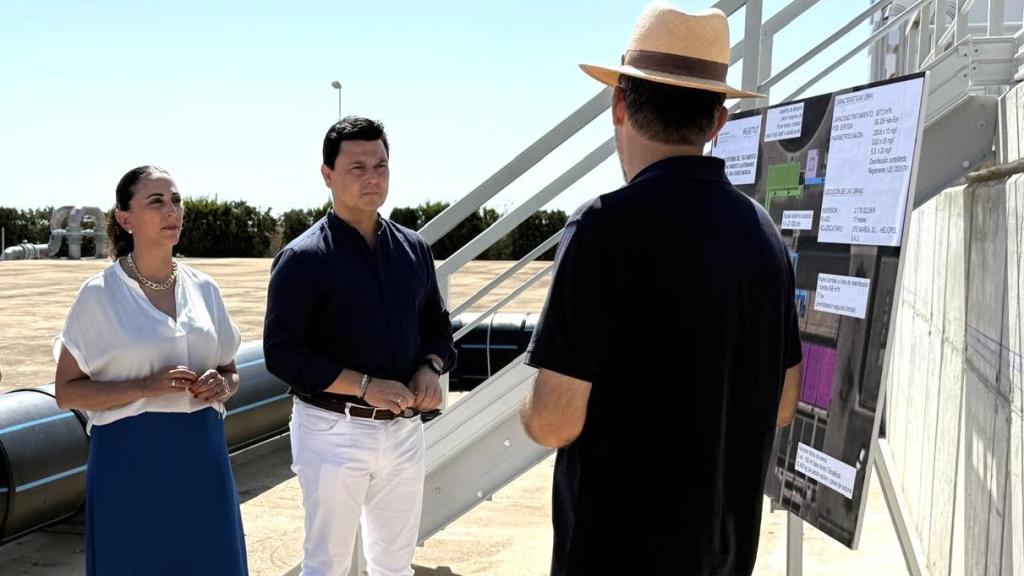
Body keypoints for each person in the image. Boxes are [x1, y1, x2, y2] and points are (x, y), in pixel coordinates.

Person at [519, 4, 803, 575]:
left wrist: (526, 410)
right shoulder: (763, 233)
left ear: (618, 103)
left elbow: (554, 421)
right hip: (723, 556)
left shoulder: (601, 227)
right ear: (718, 120)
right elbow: (784, 402)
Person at [263, 116, 455, 576]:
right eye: (357, 168)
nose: (373, 177)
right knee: (325, 565)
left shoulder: (414, 249)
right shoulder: (302, 258)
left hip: (405, 431)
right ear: (327, 174)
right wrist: (365, 386)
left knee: (395, 565)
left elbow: (438, 326)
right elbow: (282, 354)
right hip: (332, 431)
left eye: (381, 165)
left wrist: (431, 365)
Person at [53, 166, 247, 575]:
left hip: (202, 455)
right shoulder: (98, 295)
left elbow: (231, 372)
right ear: (125, 219)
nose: (171, 210)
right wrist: (146, 386)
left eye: (175, 200)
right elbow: (67, 392)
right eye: (156, 202)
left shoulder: (205, 289)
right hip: (129, 460)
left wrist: (221, 385)